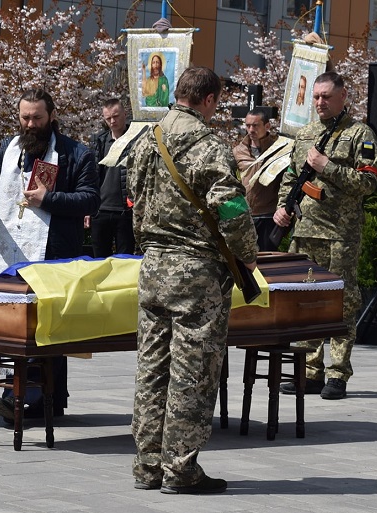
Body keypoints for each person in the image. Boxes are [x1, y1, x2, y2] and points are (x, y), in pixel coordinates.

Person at [127, 66, 257, 493]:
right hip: (195, 271)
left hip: (153, 266)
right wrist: (248, 257)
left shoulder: (145, 139)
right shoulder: (208, 144)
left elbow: (135, 198)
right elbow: (233, 208)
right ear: (209, 99)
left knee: (152, 368)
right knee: (192, 371)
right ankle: (180, 469)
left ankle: (147, 466)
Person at [0, 88, 100, 419]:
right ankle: (21, 394)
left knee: (47, 328)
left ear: (51, 116)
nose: (30, 124)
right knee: (13, 327)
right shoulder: (9, 147)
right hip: (9, 254)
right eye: (25, 117)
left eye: (37, 118)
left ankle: (44, 399)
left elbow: (90, 200)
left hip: (52, 256)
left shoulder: (75, 153)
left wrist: (49, 199)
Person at [274, 71, 377, 400]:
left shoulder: (359, 133)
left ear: (343, 97)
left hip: (340, 234)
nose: (319, 102)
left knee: (342, 302)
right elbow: (290, 177)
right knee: (306, 302)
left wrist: (327, 167)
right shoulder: (305, 133)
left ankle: (337, 373)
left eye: (326, 97)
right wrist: (282, 208)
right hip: (304, 232)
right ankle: (310, 370)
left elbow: (369, 183)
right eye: (316, 96)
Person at [86, 98, 136, 257]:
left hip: (125, 211)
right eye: (108, 118)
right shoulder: (99, 141)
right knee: (99, 259)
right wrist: (88, 208)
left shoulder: (136, 140)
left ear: (124, 114)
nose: (113, 121)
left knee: (125, 260)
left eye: (116, 116)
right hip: (100, 210)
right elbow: (91, 175)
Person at [232, 108, 283, 251]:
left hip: (269, 216)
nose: (251, 129)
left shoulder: (278, 150)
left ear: (267, 126)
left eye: (255, 125)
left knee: (267, 262)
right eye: (248, 125)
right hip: (245, 215)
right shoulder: (238, 151)